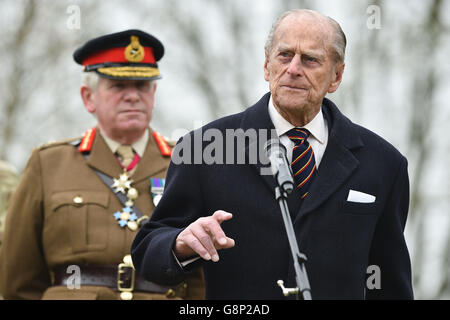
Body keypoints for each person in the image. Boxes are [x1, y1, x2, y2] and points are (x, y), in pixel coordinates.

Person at [131, 10, 413, 299]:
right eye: (284, 55)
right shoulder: (203, 148)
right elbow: (148, 251)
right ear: (267, 65)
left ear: (336, 76)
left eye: (310, 59)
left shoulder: (383, 164)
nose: (293, 69)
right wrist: (178, 243)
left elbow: (391, 282)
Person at [0, 29, 204, 300]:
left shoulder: (187, 162)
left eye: (142, 86)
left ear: (153, 93)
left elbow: (205, 280)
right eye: (118, 86)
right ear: (88, 97)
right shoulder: (48, 164)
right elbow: (18, 281)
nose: (133, 96)